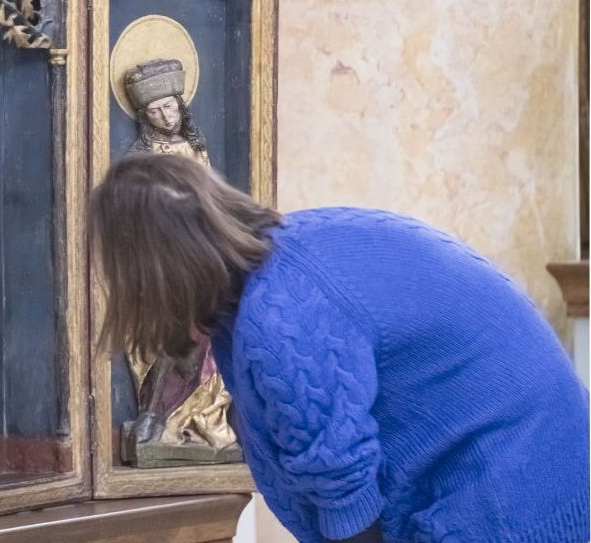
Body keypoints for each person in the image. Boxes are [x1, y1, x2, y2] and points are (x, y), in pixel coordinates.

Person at [90, 153, 590, 543]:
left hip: (509, 493)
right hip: (534, 464)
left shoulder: (278, 316)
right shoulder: (291, 255)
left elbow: (345, 498)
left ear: (153, 271)